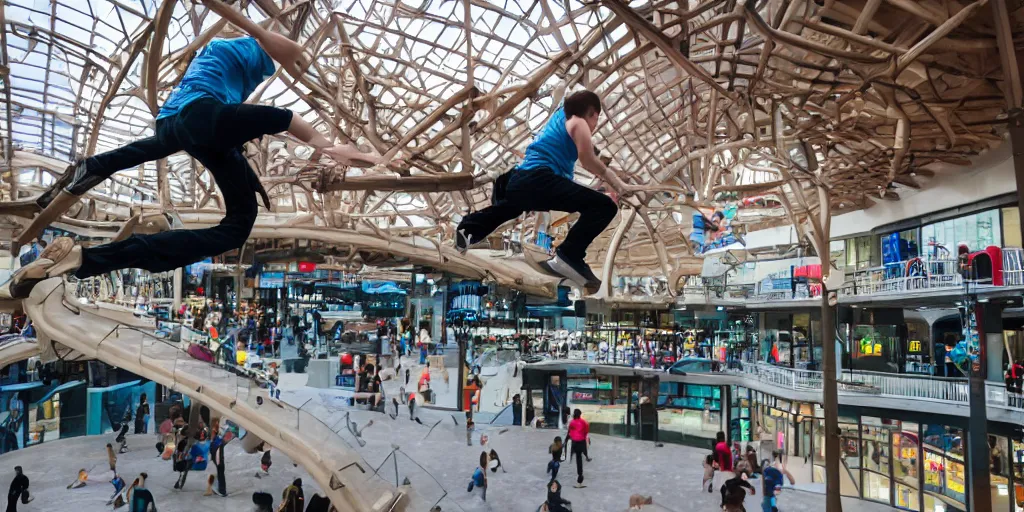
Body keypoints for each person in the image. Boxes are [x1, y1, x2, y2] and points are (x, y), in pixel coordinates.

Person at [0, 2, 385, 300]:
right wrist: (332, 147)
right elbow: (292, 54)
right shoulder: (243, 47)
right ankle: (95, 192)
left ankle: (86, 223)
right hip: (200, 117)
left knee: (234, 218)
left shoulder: (217, 63)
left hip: (176, 125)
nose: (280, 67)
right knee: (277, 118)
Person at [454, 90, 636, 292]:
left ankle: (467, 230)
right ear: (592, 113)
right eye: (596, 119)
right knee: (603, 206)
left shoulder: (560, 116)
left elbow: (589, 151)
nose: (595, 126)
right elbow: (587, 160)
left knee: (511, 208)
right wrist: (619, 184)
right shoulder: (579, 122)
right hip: (539, 179)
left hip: (518, 181)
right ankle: (569, 255)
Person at [567, 409, 589, 488]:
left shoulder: (572, 422)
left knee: (577, 457)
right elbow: (586, 431)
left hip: (574, 442)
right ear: (580, 414)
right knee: (579, 458)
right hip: (581, 441)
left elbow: (569, 431)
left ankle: (571, 455)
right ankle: (580, 477)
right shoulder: (584, 422)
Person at [713, 431, 734, 496]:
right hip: (729, 469)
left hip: (723, 470)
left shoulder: (718, 446)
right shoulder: (726, 445)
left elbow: (716, 459)